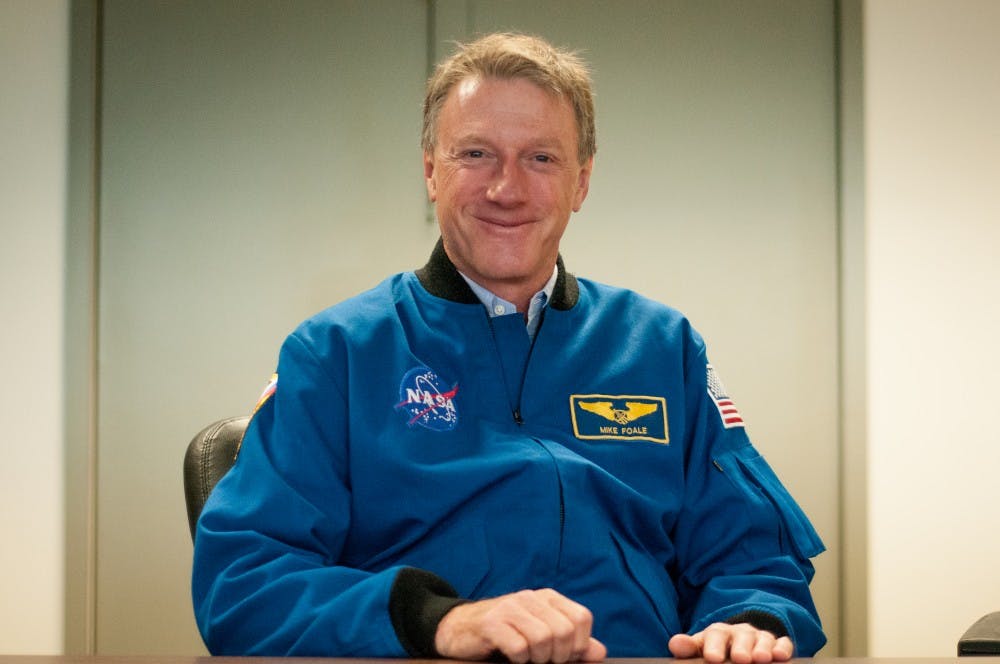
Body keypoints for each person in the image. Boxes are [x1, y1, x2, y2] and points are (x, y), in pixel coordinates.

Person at [191, 32, 826, 664]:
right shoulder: (336, 356)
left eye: (541, 159)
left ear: (581, 182)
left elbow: (754, 555)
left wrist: (746, 622)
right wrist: (439, 623)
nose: (508, 188)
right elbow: (244, 584)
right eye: (475, 154)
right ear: (430, 172)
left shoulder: (663, 348)